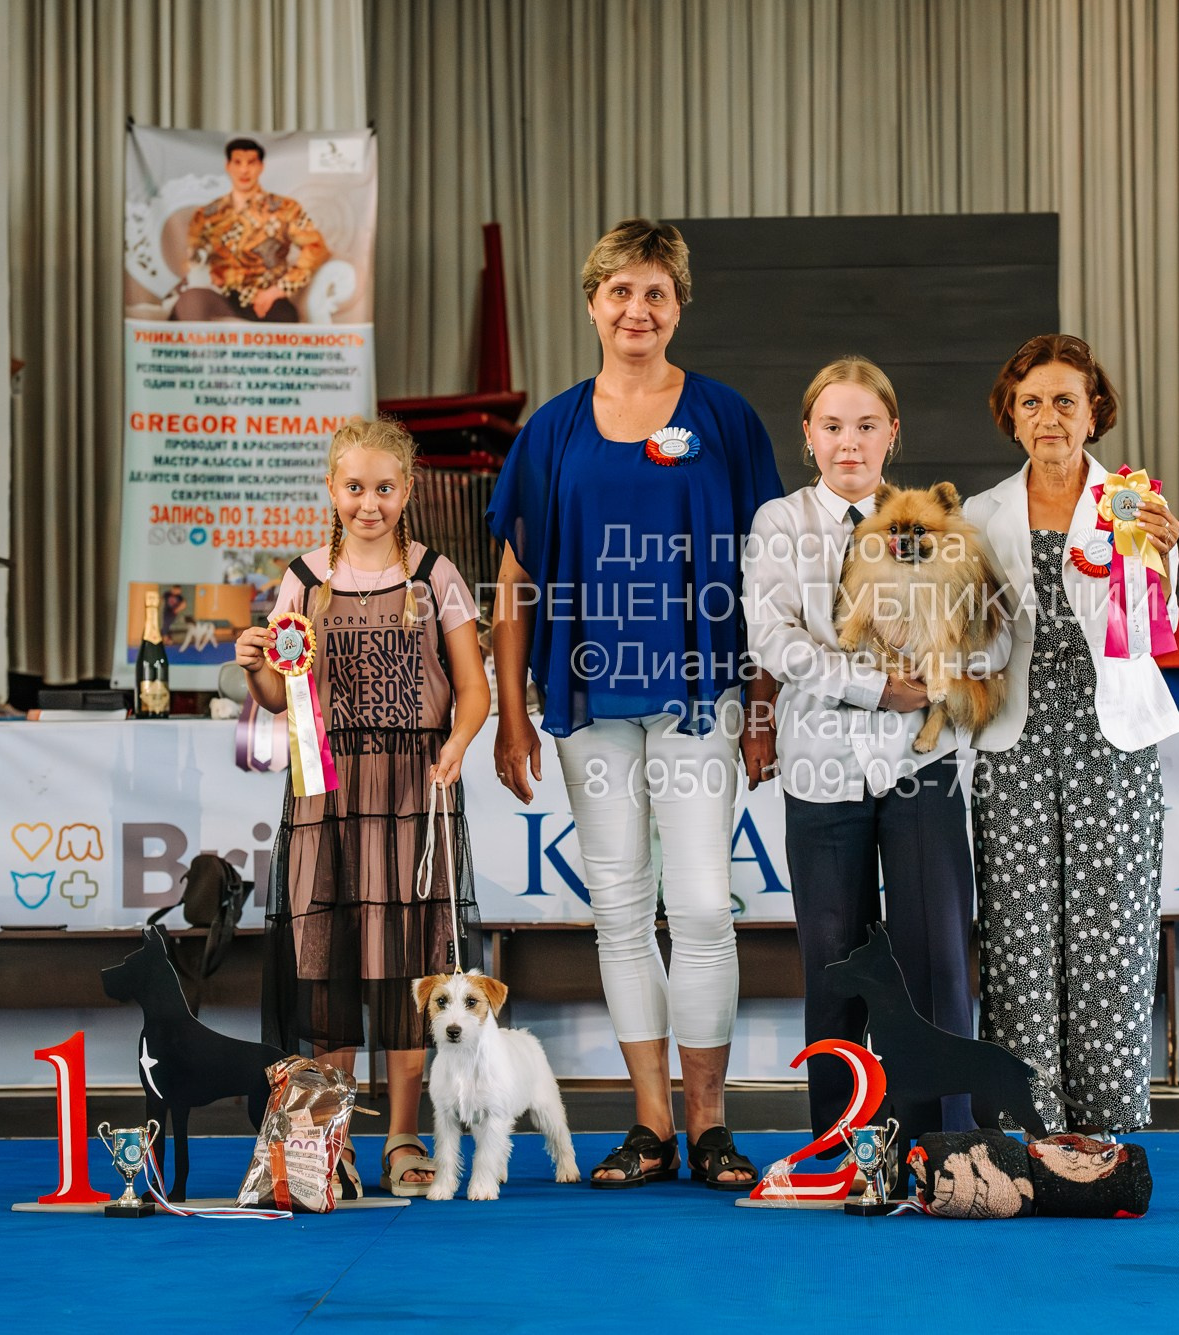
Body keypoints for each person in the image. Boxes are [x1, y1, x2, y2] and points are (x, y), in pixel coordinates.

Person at [487, 218, 782, 1189]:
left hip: (703, 694)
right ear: (591, 304)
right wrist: (512, 712)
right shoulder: (552, 431)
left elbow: (768, 571)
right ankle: (650, 1128)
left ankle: (710, 1125)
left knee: (699, 906)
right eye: (619, 292)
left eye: (654, 292)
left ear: (678, 304)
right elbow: (513, 579)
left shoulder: (727, 419)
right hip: (584, 699)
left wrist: (765, 701)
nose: (636, 310)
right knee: (619, 910)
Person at [742, 355, 1007, 1149]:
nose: (848, 443)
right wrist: (871, 687)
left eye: (865, 426)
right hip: (823, 764)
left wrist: (939, 679)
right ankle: (844, 1145)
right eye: (832, 427)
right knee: (835, 965)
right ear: (808, 437)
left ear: (893, 433)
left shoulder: (944, 522)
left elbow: (992, 637)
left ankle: (944, 1146)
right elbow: (771, 639)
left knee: (935, 957)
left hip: (922, 766)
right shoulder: (779, 525)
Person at [240, 416, 491, 1197]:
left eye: (385, 487)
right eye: (355, 487)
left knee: (409, 966)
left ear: (408, 490)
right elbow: (282, 697)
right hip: (328, 790)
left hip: (416, 789)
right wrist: (254, 669)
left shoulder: (436, 575)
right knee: (331, 964)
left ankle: (404, 1137)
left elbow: (475, 689)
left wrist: (458, 743)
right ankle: (330, 1139)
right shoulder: (303, 580)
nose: (369, 502)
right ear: (332, 489)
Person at [963, 334, 1179, 1136]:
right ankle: (1031, 1123)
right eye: (1032, 402)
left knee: (1115, 928)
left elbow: (1161, 631)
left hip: (1112, 738)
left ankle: (1108, 1125)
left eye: (1065, 400)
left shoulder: (1136, 505)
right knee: (1018, 936)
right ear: (1010, 417)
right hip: (1013, 742)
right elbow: (969, 639)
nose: (1048, 416)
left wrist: (1163, 556)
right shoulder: (978, 514)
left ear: (1095, 413)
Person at [173, 137, 330, 323]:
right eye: (237, 162)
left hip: (265, 299)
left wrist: (278, 290)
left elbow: (316, 249)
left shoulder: (284, 208)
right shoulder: (207, 214)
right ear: (228, 166)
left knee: (284, 322)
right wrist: (207, 273)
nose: (244, 170)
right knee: (190, 302)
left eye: (251, 163)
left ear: (261, 167)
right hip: (220, 296)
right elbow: (192, 256)